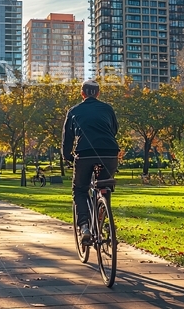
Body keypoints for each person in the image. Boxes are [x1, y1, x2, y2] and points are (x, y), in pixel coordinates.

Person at [61, 79, 120, 245]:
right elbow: (114, 130)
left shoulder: (73, 111)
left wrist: (68, 157)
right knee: (104, 185)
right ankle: (103, 215)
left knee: (80, 189)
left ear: (82, 93)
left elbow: (67, 139)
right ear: (98, 93)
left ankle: (85, 226)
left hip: (84, 154)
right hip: (109, 153)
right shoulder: (107, 108)